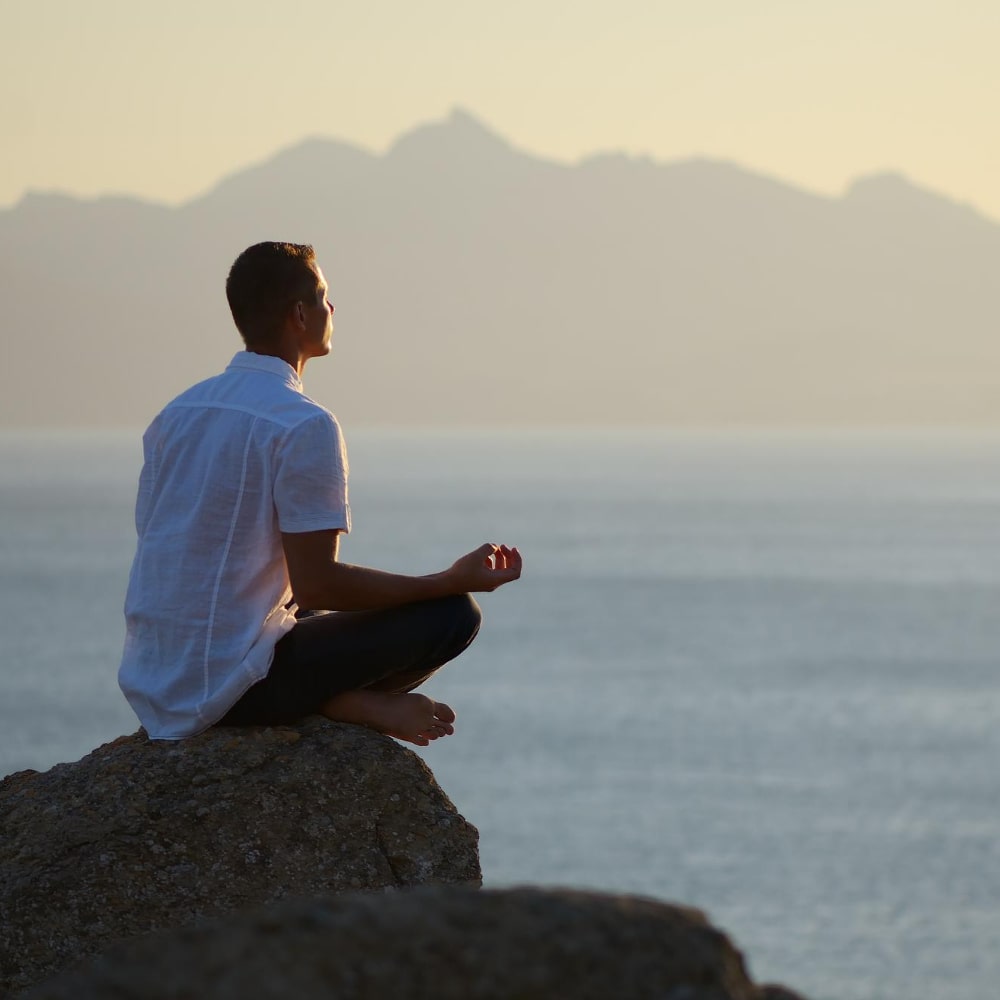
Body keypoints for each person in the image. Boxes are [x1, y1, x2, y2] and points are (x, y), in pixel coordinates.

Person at [118, 241, 521, 747]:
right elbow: (319, 584)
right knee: (453, 615)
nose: (333, 307)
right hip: (225, 689)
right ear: (300, 315)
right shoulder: (303, 423)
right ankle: (348, 704)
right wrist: (447, 580)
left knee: (306, 612)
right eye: (324, 296)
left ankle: (337, 699)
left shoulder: (177, 414)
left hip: (157, 680)